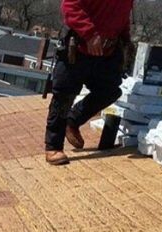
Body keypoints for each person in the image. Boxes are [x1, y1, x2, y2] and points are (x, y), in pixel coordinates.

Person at [44, 0, 134, 166]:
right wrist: (90, 34)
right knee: (64, 96)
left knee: (110, 90)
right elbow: (70, 6)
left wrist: (126, 38)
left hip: (107, 52)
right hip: (78, 48)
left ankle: (73, 120)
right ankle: (53, 147)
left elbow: (123, 15)